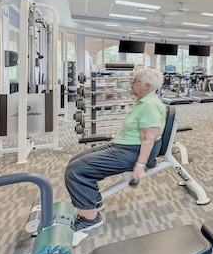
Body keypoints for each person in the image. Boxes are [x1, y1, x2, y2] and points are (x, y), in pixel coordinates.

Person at [64, 67, 166, 232]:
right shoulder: (143, 101)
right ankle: (93, 201)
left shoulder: (151, 105)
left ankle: (89, 219)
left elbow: (149, 138)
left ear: (147, 86)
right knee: (75, 160)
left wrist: (140, 165)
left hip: (134, 150)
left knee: (76, 170)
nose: (131, 83)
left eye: (135, 81)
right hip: (123, 144)